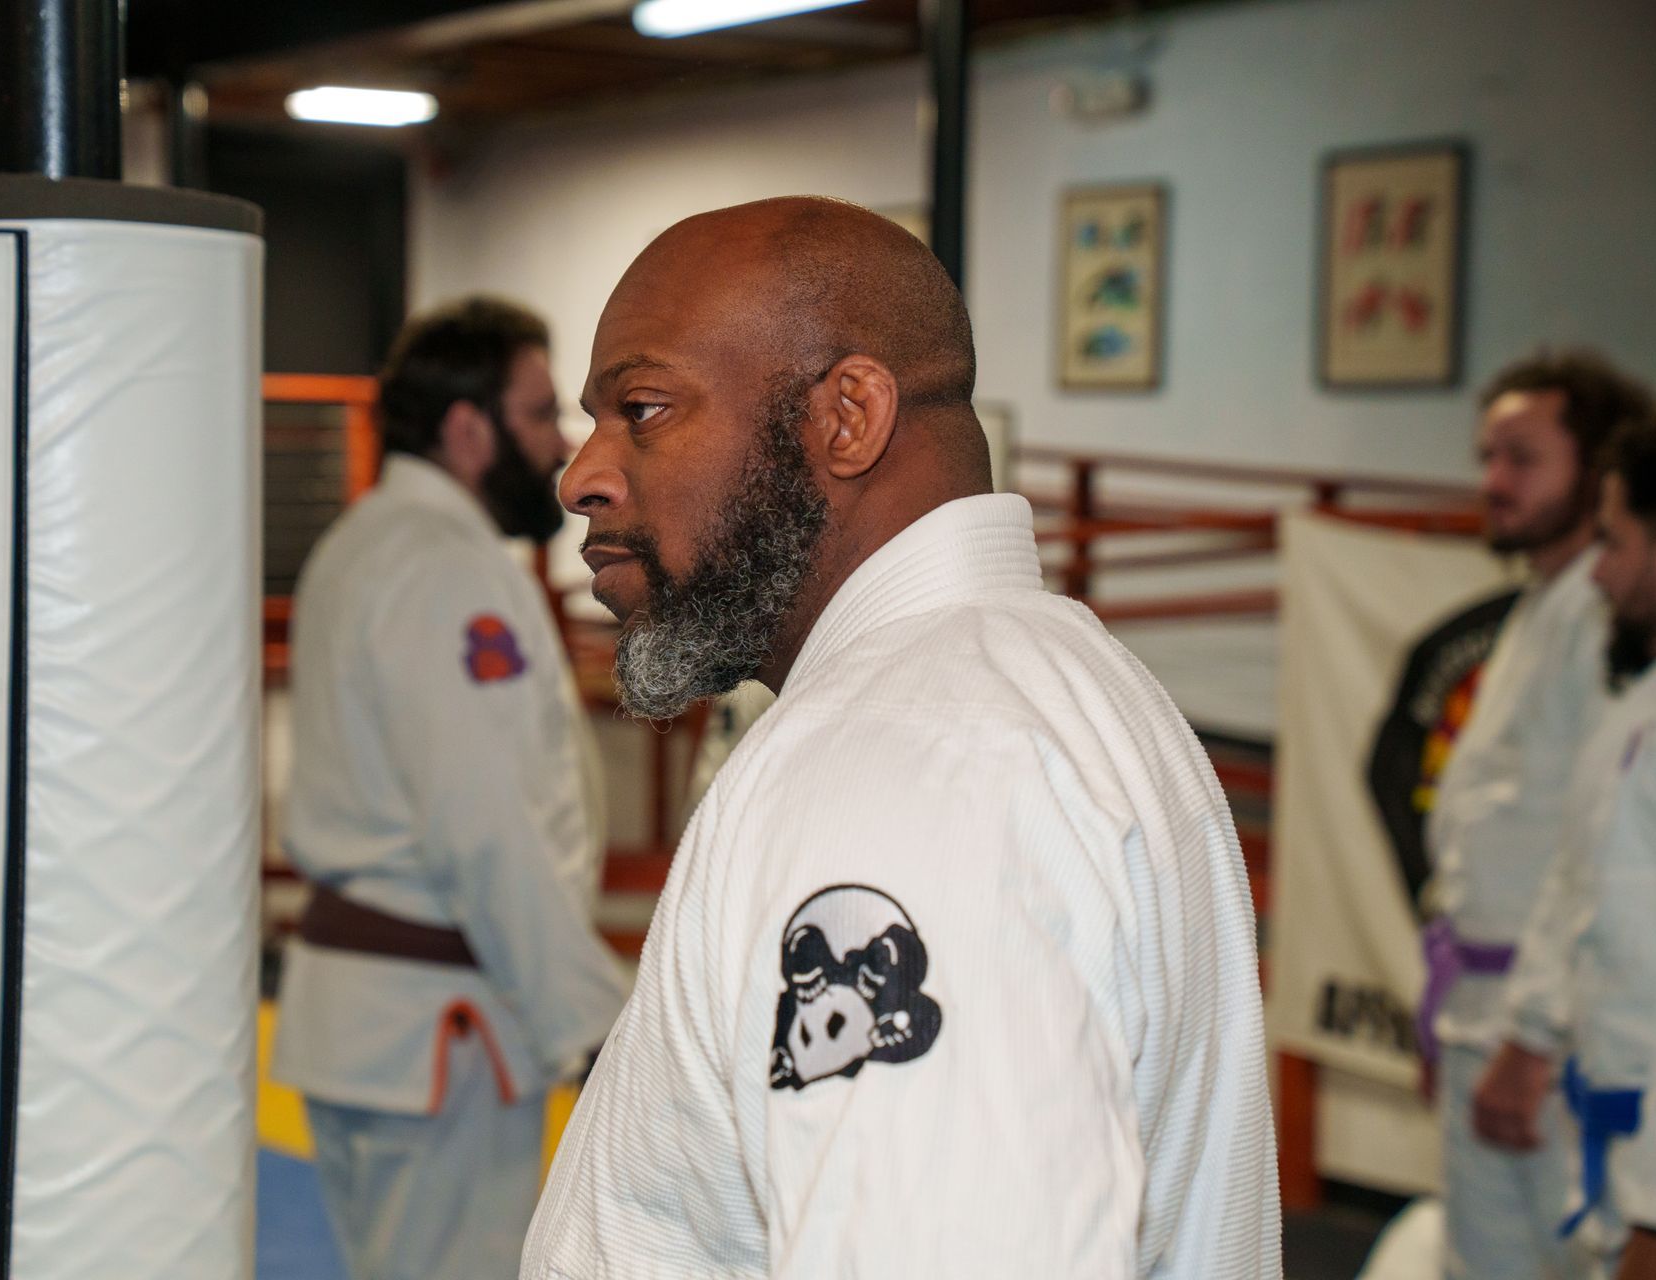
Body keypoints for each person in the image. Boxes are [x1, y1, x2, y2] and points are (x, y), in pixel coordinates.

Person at [522, 197, 1279, 1278]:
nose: (582, 476)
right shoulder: (1043, 690)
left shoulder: (908, 761)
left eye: (642, 409)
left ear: (848, 418)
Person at [269, 297, 627, 1280]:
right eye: (540, 414)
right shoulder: (446, 568)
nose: (559, 445)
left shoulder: (363, 545)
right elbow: (485, 824)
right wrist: (595, 1026)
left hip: (374, 1022)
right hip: (440, 1031)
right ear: (468, 429)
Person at [1425, 352, 1652, 1280]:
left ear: (1597, 470)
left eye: (1523, 458)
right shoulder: (1544, 604)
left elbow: (1598, 852)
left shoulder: (1605, 618)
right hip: (1493, 1000)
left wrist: (1532, 1029)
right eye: (1487, 456)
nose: (1494, 481)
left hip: (1553, 1023)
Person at [1497, 417, 1656, 1280]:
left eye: (1617, 542)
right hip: (1609, 1124)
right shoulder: (1636, 707)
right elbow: (1588, 891)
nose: (1598, 571)